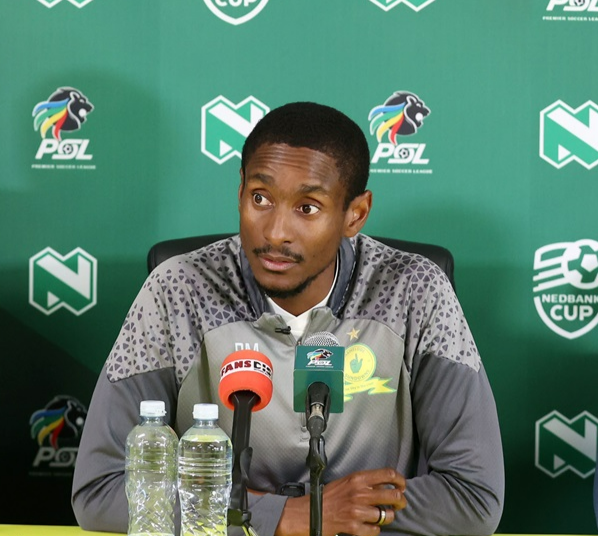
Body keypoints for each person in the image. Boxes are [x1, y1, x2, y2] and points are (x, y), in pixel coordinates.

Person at [72, 101, 505, 536]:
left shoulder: (414, 289)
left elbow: (473, 497)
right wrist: (286, 516)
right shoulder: (178, 289)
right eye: (260, 198)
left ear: (355, 214)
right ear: (240, 190)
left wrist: (327, 513)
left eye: (307, 207)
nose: (276, 231)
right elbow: (100, 491)